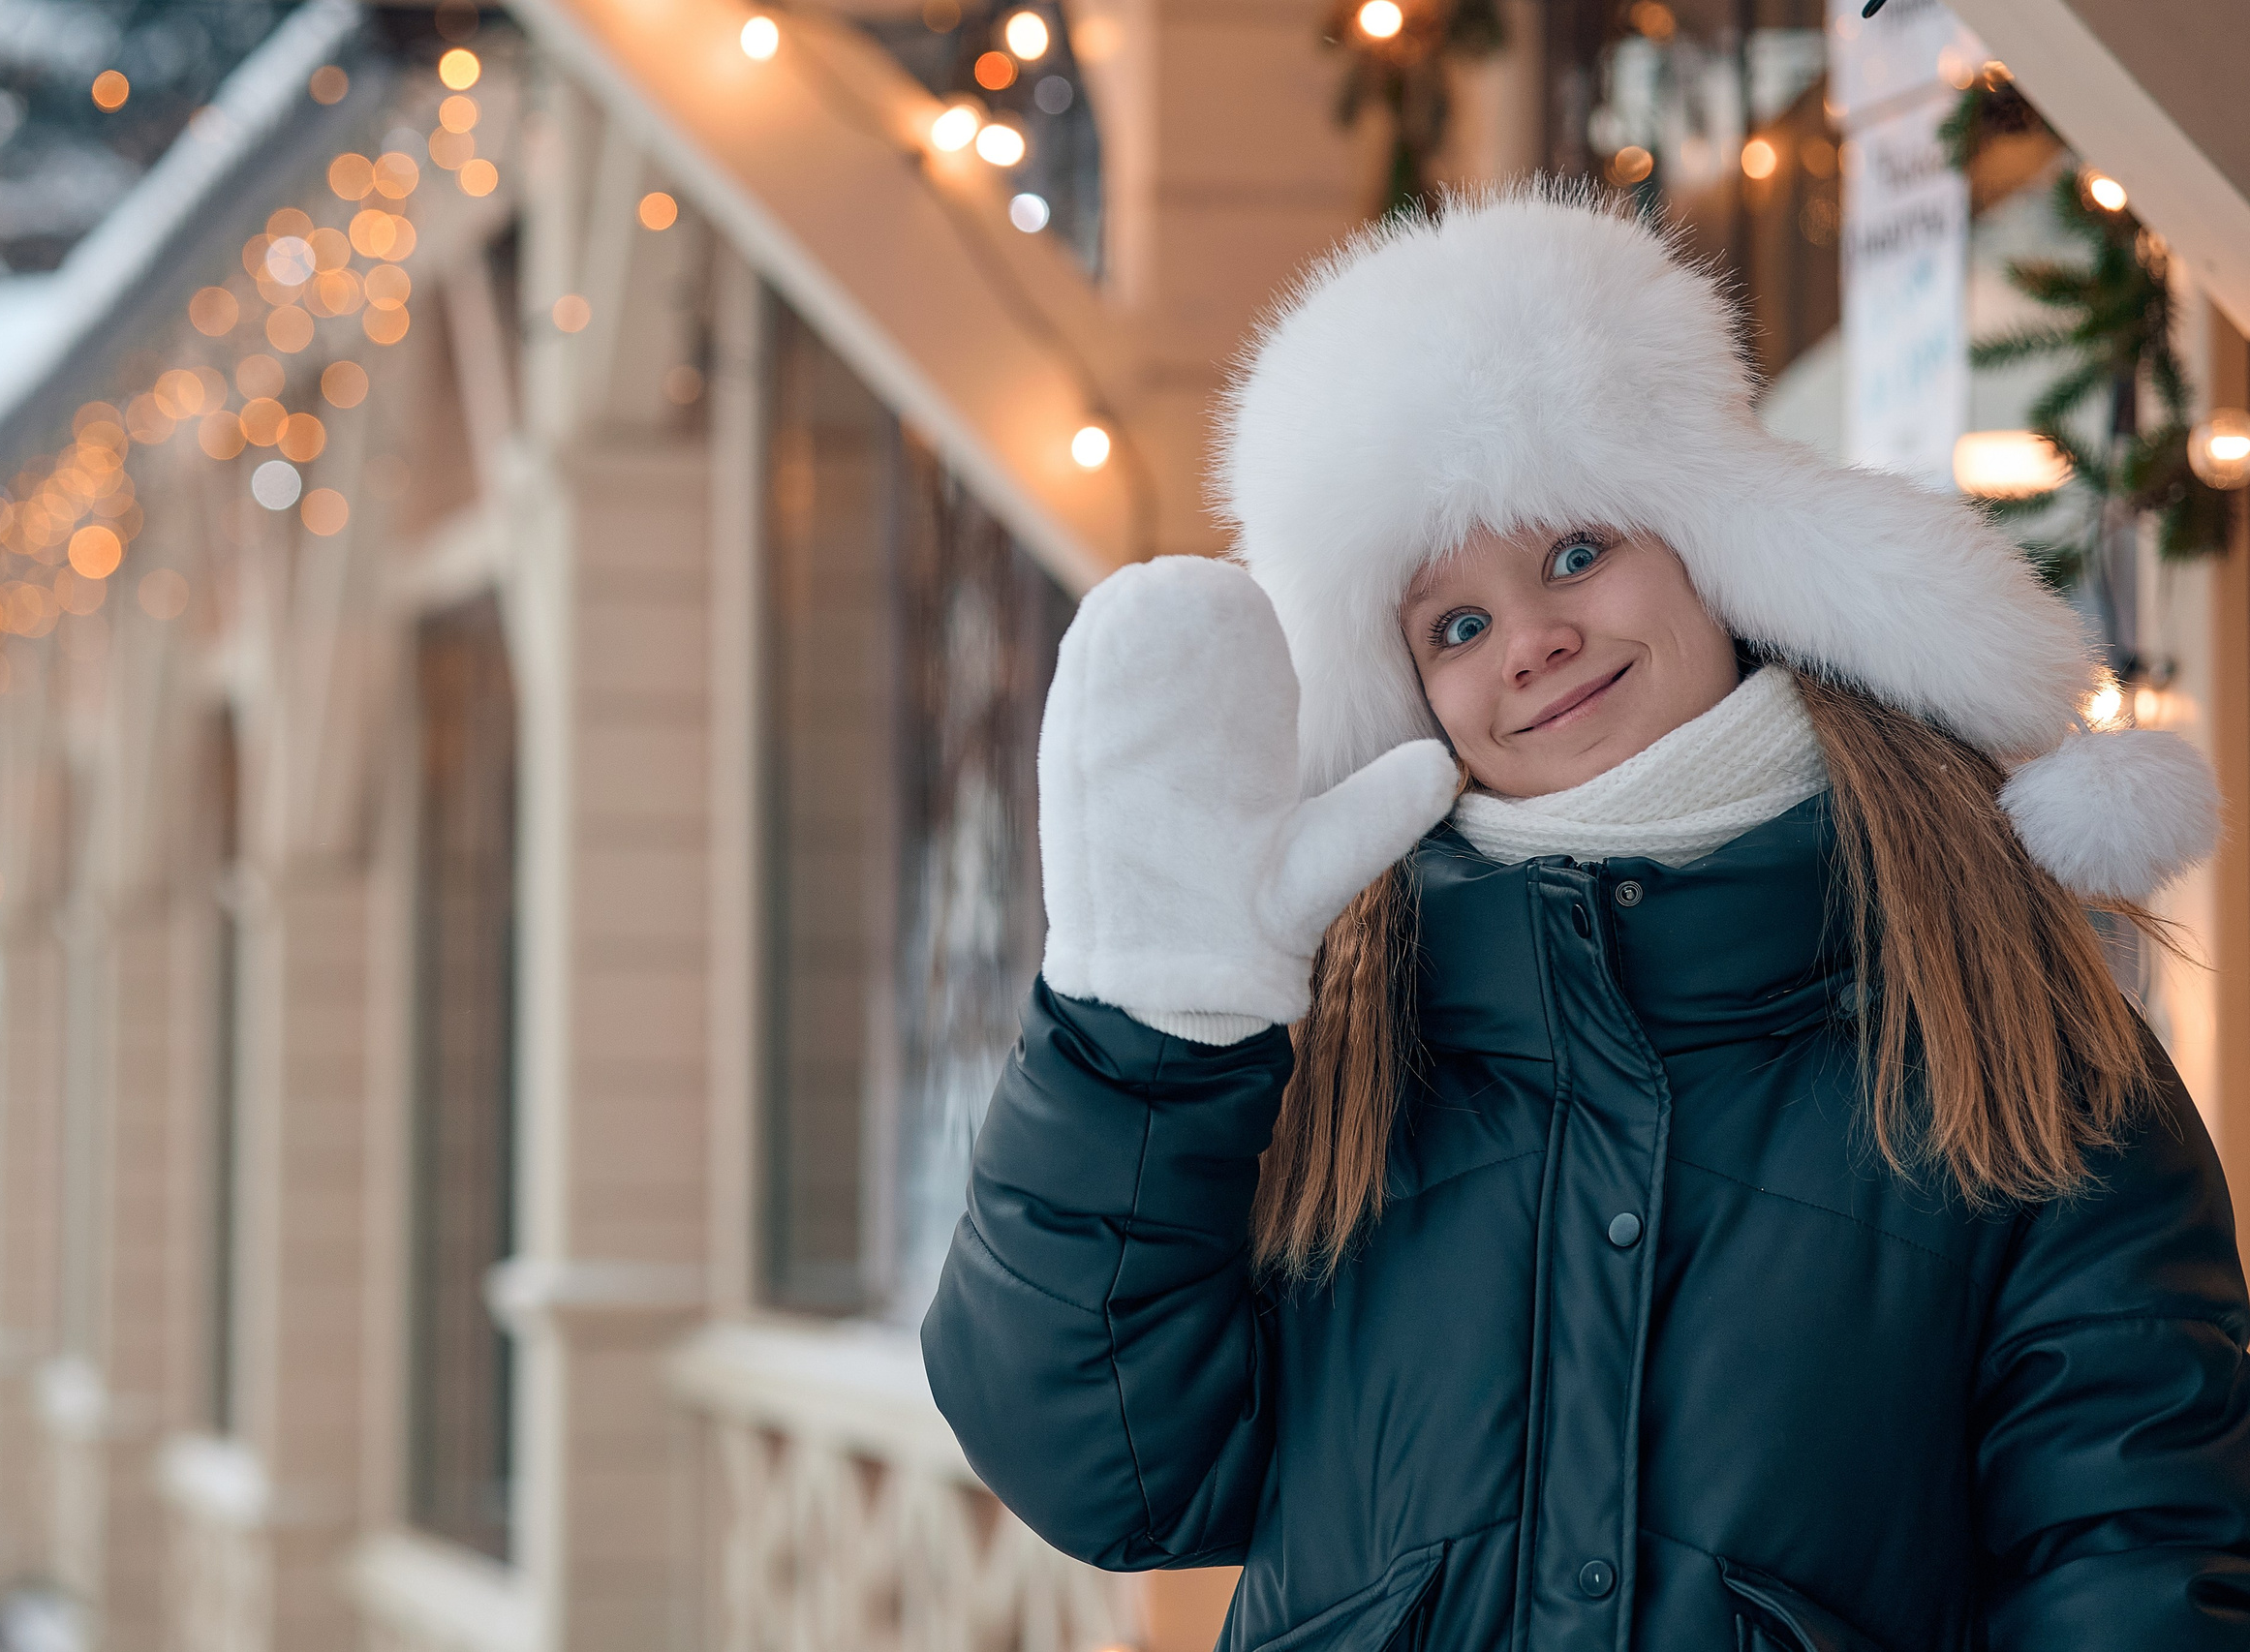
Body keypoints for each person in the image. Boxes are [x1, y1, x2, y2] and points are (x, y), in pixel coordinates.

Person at [920, 186, 2250, 1652]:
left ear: (1719, 550)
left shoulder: (2013, 1037)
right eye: (1456, 624)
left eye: (1574, 554)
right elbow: (1107, 1470)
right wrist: (1142, 1038)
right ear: (1406, 692)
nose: (1534, 640)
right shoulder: (1347, 1056)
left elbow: (2138, 1555)